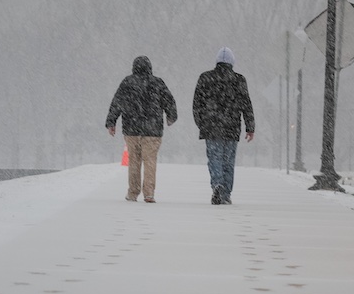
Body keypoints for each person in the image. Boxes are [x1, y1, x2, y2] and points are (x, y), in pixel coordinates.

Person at [105, 55, 178, 202]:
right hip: (153, 130)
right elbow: (169, 101)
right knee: (150, 161)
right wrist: (171, 116)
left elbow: (117, 102)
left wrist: (111, 122)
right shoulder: (157, 83)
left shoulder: (127, 82)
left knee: (134, 161)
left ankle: (133, 192)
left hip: (132, 129)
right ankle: (149, 193)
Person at [192, 47, 255, 205]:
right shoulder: (239, 80)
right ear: (232, 63)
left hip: (211, 127)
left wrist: (201, 123)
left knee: (214, 159)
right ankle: (226, 193)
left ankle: (217, 185)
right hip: (231, 127)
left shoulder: (205, 78)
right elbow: (246, 104)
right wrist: (250, 126)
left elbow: (196, 104)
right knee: (228, 161)